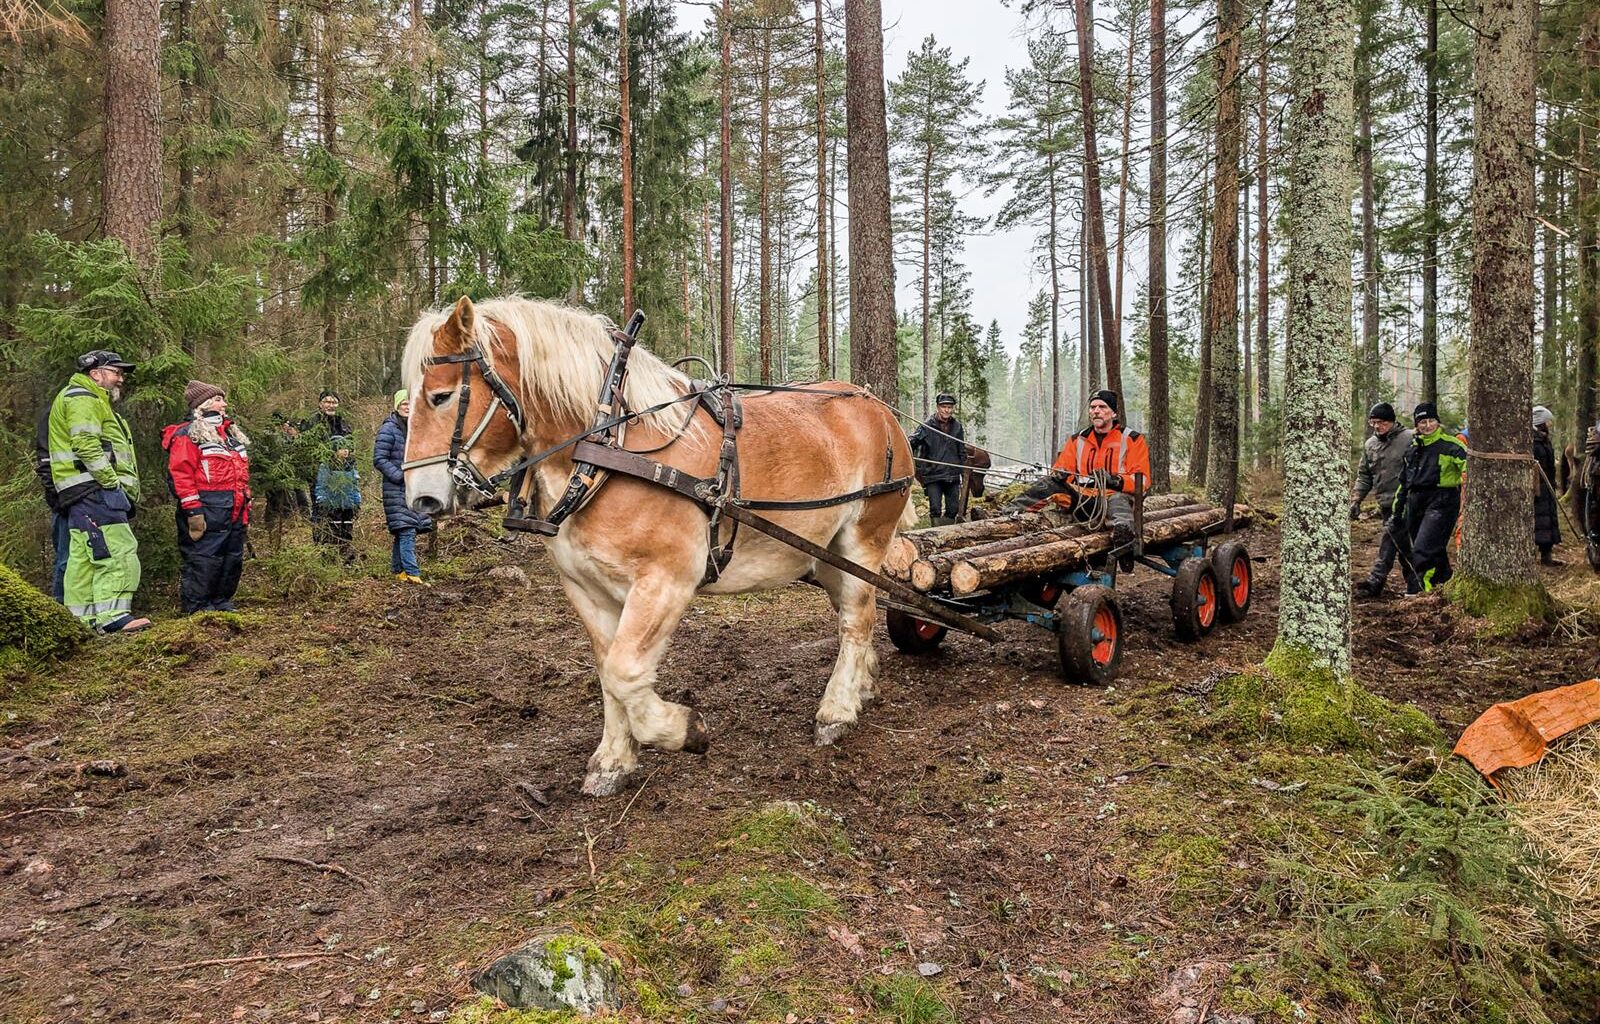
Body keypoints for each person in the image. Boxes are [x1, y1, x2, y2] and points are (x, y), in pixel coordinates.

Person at [46, 350, 150, 633]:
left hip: (81, 490)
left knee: (84, 557)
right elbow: (86, 444)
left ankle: (82, 620)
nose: (121, 378)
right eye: (116, 372)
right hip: (94, 488)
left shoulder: (82, 397)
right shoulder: (84, 398)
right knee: (117, 549)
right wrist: (111, 483)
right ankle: (113, 615)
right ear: (95, 374)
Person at [1005, 389, 1151, 548]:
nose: (1096, 411)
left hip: (1114, 497)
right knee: (1047, 484)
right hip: (1083, 498)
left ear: (1114, 413)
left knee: (1118, 501)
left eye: (1102, 407)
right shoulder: (1078, 439)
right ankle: (1007, 516)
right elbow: (1062, 467)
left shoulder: (1132, 439)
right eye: (1093, 407)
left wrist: (1116, 481)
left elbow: (1142, 480)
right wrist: (1059, 474)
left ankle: (1123, 538)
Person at [162, 380, 252, 613]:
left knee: (232, 556)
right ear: (204, 404)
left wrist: (246, 506)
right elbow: (180, 474)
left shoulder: (230, 435)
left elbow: (241, 475)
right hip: (207, 507)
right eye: (219, 399)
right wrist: (193, 510)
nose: (224, 404)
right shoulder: (188, 434)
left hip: (234, 507)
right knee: (204, 556)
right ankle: (197, 605)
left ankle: (221, 600)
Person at [1393, 401, 1467, 594]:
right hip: (1416, 501)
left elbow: (1470, 470)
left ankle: (1419, 592)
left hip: (1443, 500)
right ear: (1416, 425)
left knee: (1423, 549)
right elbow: (1404, 481)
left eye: (1431, 420)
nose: (1427, 426)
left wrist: (1467, 502)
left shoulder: (1452, 445)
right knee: (1434, 549)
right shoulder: (1413, 448)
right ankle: (1444, 585)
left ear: (1438, 422)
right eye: (1422, 422)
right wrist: (1397, 510)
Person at [1351, 402, 1420, 597]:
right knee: (1401, 545)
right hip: (1386, 503)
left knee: (1392, 541)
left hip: (1409, 502)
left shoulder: (1410, 438)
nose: (1377, 426)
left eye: (1381, 422)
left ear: (1392, 421)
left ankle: (1375, 581)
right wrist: (1356, 499)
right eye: (1373, 422)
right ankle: (1414, 584)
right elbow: (1364, 475)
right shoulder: (1370, 445)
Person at [373, 389, 434, 584]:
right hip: (396, 488)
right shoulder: (388, 429)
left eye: (411, 403)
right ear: (397, 406)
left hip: (415, 488)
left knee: (404, 529)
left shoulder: (418, 428)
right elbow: (379, 459)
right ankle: (413, 574)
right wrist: (400, 476)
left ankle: (398, 571)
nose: (408, 407)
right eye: (404, 404)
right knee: (407, 530)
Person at [908, 393, 966, 525]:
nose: (947, 410)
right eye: (944, 407)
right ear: (938, 407)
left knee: (953, 509)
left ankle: (947, 533)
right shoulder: (927, 426)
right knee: (935, 509)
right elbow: (912, 442)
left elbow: (961, 450)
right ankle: (935, 533)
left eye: (949, 407)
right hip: (933, 475)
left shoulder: (957, 427)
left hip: (952, 475)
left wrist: (963, 474)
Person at [33, 402, 69, 602]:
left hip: (91, 498)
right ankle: (60, 605)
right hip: (64, 500)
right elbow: (45, 459)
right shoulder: (56, 411)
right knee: (66, 557)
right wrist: (56, 495)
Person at [313, 435, 361, 563]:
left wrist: (357, 502)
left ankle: (346, 559)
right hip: (332, 506)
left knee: (347, 532)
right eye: (341, 448)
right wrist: (322, 502)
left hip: (348, 506)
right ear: (334, 451)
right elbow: (321, 485)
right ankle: (331, 559)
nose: (345, 451)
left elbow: (355, 486)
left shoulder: (351, 466)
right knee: (333, 532)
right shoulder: (326, 466)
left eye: (347, 448)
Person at [1532, 405, 1562, 566]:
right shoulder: (1532, 441)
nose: (1549, 426)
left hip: (1548, 486)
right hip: (1537, 488)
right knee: (1538, 521)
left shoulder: (1544, 440)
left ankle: (1546, 555)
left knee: (1548, 521)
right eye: (1547, 422)